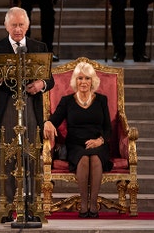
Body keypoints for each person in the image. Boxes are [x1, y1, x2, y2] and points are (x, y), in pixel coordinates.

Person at [0, 7, 55, 220]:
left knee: (31, 156)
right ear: (6, 26)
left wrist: (41, 83)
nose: (18, 29)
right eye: (14, 25)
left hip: (31, 107)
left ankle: (33, 207)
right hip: (7, 109)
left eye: (21, 25)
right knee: (8, 158)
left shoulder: (39, 47)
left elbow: (51, 79)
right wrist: (0, 78)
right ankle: (7, 207)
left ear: (27, 26)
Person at [43, 61, 112, 218]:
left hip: (98, 143)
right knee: (83, 158)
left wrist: (100, 140)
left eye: (87, 78)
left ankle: (93, 204)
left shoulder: (102, 100)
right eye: (80, 78)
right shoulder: (67, 101)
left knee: (94, 158)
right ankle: (83, 202)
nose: (83, 82)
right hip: (75, 144)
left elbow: (108, 128)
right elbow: (53, 121)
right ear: (75, 81)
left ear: (92, 81)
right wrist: (47, 122)